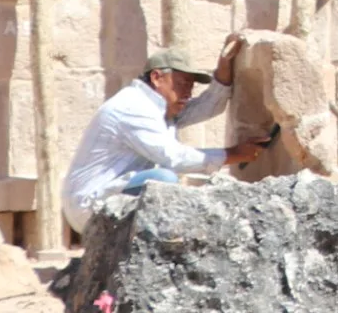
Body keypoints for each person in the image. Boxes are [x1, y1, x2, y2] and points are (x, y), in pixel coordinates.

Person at [60, 38, 264, 236]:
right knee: (164, 181)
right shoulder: (134, 106)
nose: (188, 92)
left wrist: (224, 66)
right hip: (89, 205)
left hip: (105, 198)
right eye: (182, 83)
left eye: (191, 85)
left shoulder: (160, 107)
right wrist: (233, 154)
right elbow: (173, 157)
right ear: (157, 78)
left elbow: (209, 106)